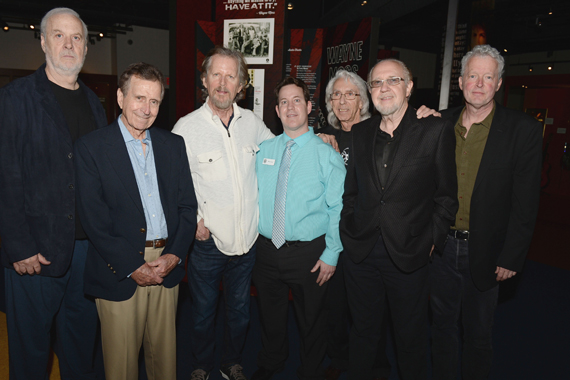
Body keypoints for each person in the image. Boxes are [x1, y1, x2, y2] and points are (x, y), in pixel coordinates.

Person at [0, 7, 107, 379]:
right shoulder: (15, 98)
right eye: (59, 35)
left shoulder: (95, 105)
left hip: (85, 253)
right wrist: (18, 245)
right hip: (36, 253)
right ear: (43, 42)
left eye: (77, 37)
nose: (69, 44)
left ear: (85, 48)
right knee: (30, 353)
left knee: (80, 348)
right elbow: (6, 174)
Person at [75, 62, 197, 380]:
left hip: (166, 266)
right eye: (139, 98)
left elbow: (187, 207)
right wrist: (133, 266)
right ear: (120, 97)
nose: (146, 108)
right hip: (120, 269)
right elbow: (93, 219)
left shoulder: (173, 145)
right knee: (121, 366)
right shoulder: (91, 148)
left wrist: (175, 254)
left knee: (164, 362)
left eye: (154, 101)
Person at [340, 58, 458, 380]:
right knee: (362, 337)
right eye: (376, 83)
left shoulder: (434, 129)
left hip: (410, 254)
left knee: (410, 341)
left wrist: (431, 241)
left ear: (408, 87)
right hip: (361, 253)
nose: (384, 88)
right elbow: (352, 192)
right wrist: (348, 227)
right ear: (370, 91)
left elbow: (446, 197)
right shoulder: (360, 132)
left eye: (393, 80)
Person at [429, 44, 542, 380]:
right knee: (441, 329)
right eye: (473, 75)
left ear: (499, 83)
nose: (479, 83)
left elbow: (526, 202)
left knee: (478, 335)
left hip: (488, 250)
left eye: (487, 77)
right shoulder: (438, 122)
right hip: (440, 249)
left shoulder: (523, 130)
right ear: (461, 81)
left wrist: (512, 256)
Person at [172, 46, 274, 380]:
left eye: (231, 75)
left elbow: (284, 153)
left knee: (241, 314)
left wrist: (322, 139)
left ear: (241, 84)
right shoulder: (185, 128)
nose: (223, 82)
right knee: (202, 314)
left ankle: (230, 362)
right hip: (206, 243)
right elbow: (174, 184)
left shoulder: (253, 123)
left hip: (247, 243)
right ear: (204, 79)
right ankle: (201, 365)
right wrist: (195, 221)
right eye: (216, 74)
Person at [251, 77, 346, 380]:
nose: (290, 107)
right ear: (276, 111)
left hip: (309, 253)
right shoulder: (263, 150)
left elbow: (339, 208)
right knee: (270, 315)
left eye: (296, 101)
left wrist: (332, 253)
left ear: (308, 107)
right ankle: (272, 362)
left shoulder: (326, 154)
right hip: (266, 250)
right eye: (283, 102)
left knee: (312, 320)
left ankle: (310, 371)